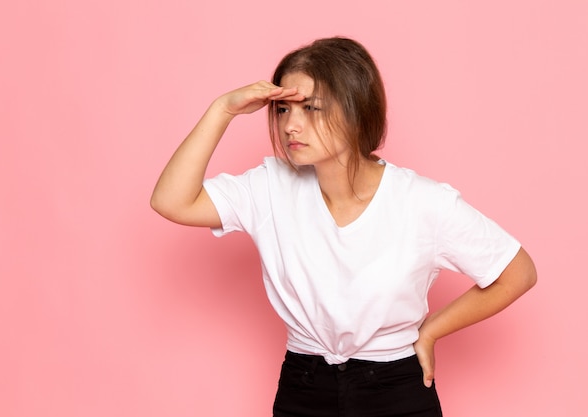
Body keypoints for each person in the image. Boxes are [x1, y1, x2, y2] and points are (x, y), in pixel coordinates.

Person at [150, 37, 537, 417]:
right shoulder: (269, 187)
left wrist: (432, 330)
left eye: (311, 108)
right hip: (303, 385)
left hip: (395, 387)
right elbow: (171, 201)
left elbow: (517, 272)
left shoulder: (422, 202)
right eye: (283, 110)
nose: (290, 126)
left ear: (355, 110)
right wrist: (222, 110)